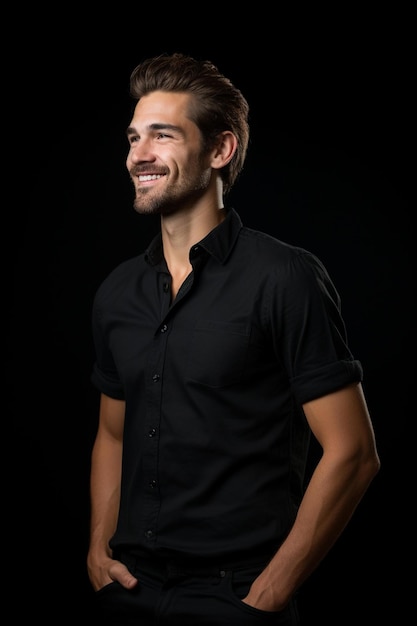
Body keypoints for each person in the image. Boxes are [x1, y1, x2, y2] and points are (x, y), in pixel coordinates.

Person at [87, 52, 380, 625]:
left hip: (235, 598)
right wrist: (98, 549)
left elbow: (354, 452)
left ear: (220, 150)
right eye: (133, 137)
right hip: (128, 590)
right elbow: (111, 433)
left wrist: (270, 591)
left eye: (162, 135)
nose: (138, 155)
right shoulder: (117, 292)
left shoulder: (285, 278)